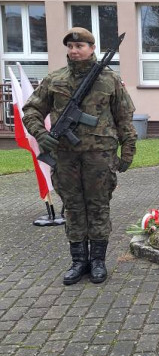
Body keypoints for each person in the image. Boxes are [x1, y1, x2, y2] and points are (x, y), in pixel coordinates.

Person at [23, 27, 137, 286]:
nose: (74, 51)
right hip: (65, 157)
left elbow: (124, 119)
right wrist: (41, 134)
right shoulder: (55, 80)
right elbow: (30, 110)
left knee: (98, 207)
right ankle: (78, 261)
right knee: (73, 208)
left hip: (100, 156)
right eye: (71, 47)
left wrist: (127, 152)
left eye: (80, 46)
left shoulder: (109, 80)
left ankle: (98, 261)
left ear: (92, 48)